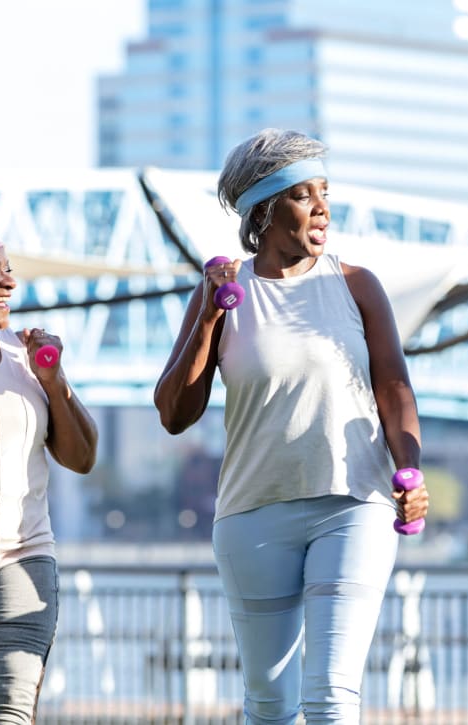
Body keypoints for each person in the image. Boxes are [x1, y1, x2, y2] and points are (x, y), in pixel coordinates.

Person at [154, 128, 429, 723]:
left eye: (324, 190)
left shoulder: (356, 285)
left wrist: (409, 468)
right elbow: (175, 413)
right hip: (254, 511)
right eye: (304, 194)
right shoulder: (225, 295)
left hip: (356, 503)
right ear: (265, 210)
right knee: (269, 705)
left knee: (331, 695)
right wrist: (207, 314)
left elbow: (394, 389)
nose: (323, 207)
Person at [0, 219, 99, 723]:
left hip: (23, 556)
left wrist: (54, 382)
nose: (10, 283)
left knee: (7, 714)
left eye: (10, 270)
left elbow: (81, 457)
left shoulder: (24, 354)